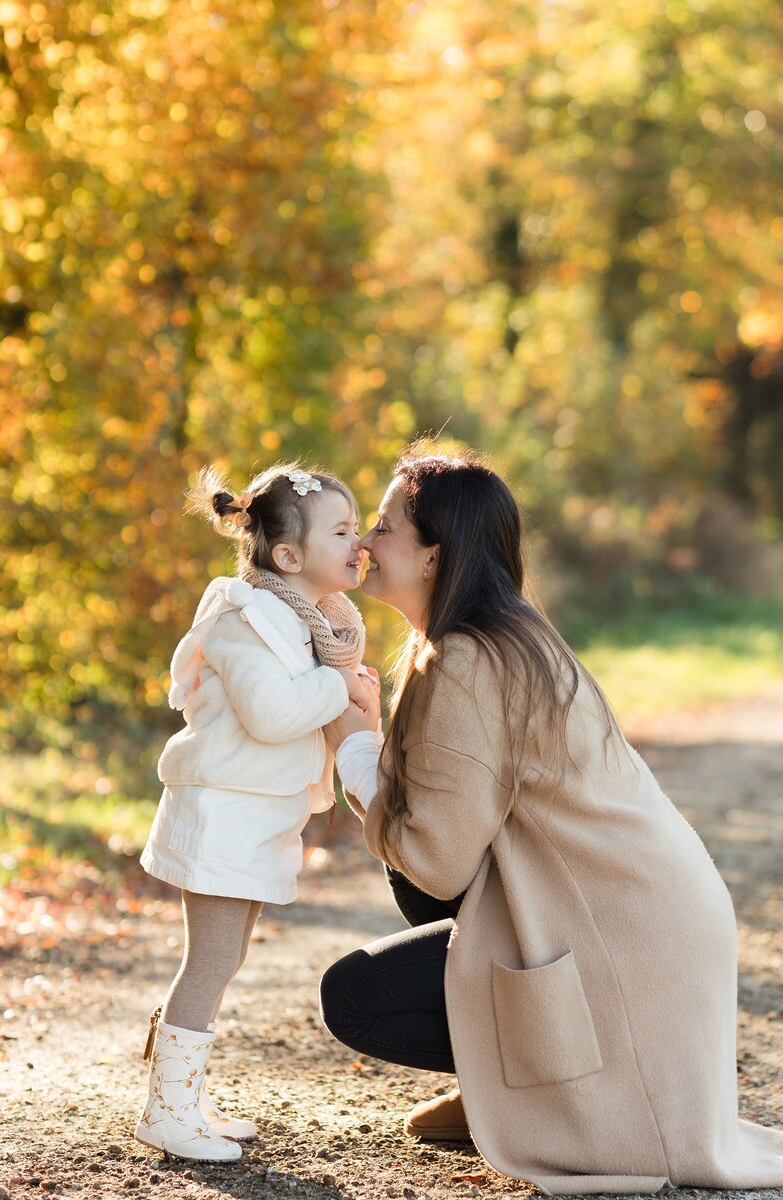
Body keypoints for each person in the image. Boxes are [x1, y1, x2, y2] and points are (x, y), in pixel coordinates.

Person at [319, 448, 783, 1196]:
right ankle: (510, 1083)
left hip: (626, 947)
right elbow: (438, 843)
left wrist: (353, 749)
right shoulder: (499, 634)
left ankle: (531, 1094)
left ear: (434, 554)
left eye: (383, 525)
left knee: (355, 998)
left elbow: (438, 862)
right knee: (403, 859)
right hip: (646, 919)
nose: (366, 542)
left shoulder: (467, 660)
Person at [135, 462, 376, 1162]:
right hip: (220, 813)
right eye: (342, 531)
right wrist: (339, 688)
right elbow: (272, 716)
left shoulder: (306, 622)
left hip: (257, 816)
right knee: (209, 959)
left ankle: (181, 1095)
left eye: (357, 527)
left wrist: (342, 682)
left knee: (227, 954)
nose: (358, 542)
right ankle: (165, 1111)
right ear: (290, 556)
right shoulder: (245, 620)